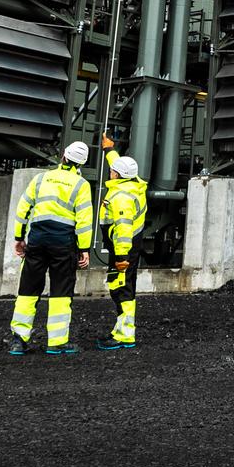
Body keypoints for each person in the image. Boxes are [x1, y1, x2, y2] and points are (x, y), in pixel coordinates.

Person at [7, 142, 94, 357]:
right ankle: (56, 342)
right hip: (63, 243)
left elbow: (23, 209)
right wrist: (84, 249)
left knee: (27, 290)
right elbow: (84, 221)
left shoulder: (41, 179)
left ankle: (19, 340)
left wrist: (19, 237)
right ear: (82, 163)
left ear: (64, 156)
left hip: (36, 239)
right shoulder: (81, 185)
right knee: (61, 293)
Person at [96, 139, 147, 350]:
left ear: (117, 174)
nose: (110, 172)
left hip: (123, 249)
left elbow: (124, 229)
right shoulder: (132, 184)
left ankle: (125, 335)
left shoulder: (122, 196)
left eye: (112, 171)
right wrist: (109, 149)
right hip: (125, 249)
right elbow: (117, 163)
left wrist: (121, 258)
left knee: (122, 289)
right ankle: (121, 330)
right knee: (121, 287)